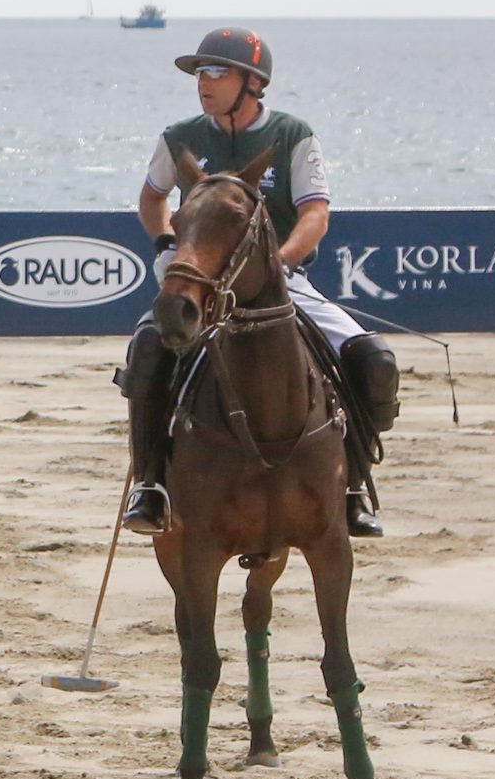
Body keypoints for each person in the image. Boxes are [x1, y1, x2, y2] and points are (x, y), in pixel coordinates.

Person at [122, 27, 398, 538]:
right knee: (146, 352)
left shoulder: (292, 135)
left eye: (215, 72)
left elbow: (315, 213)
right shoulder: (178, 136)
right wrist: (165, 245)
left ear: (252, 82)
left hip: (280, 286)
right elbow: (152, 198)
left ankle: (355, 484)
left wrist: (284, 262)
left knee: (374, 360)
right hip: (202, 288)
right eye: (199, 74)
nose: (203, 83)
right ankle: (150, 486)